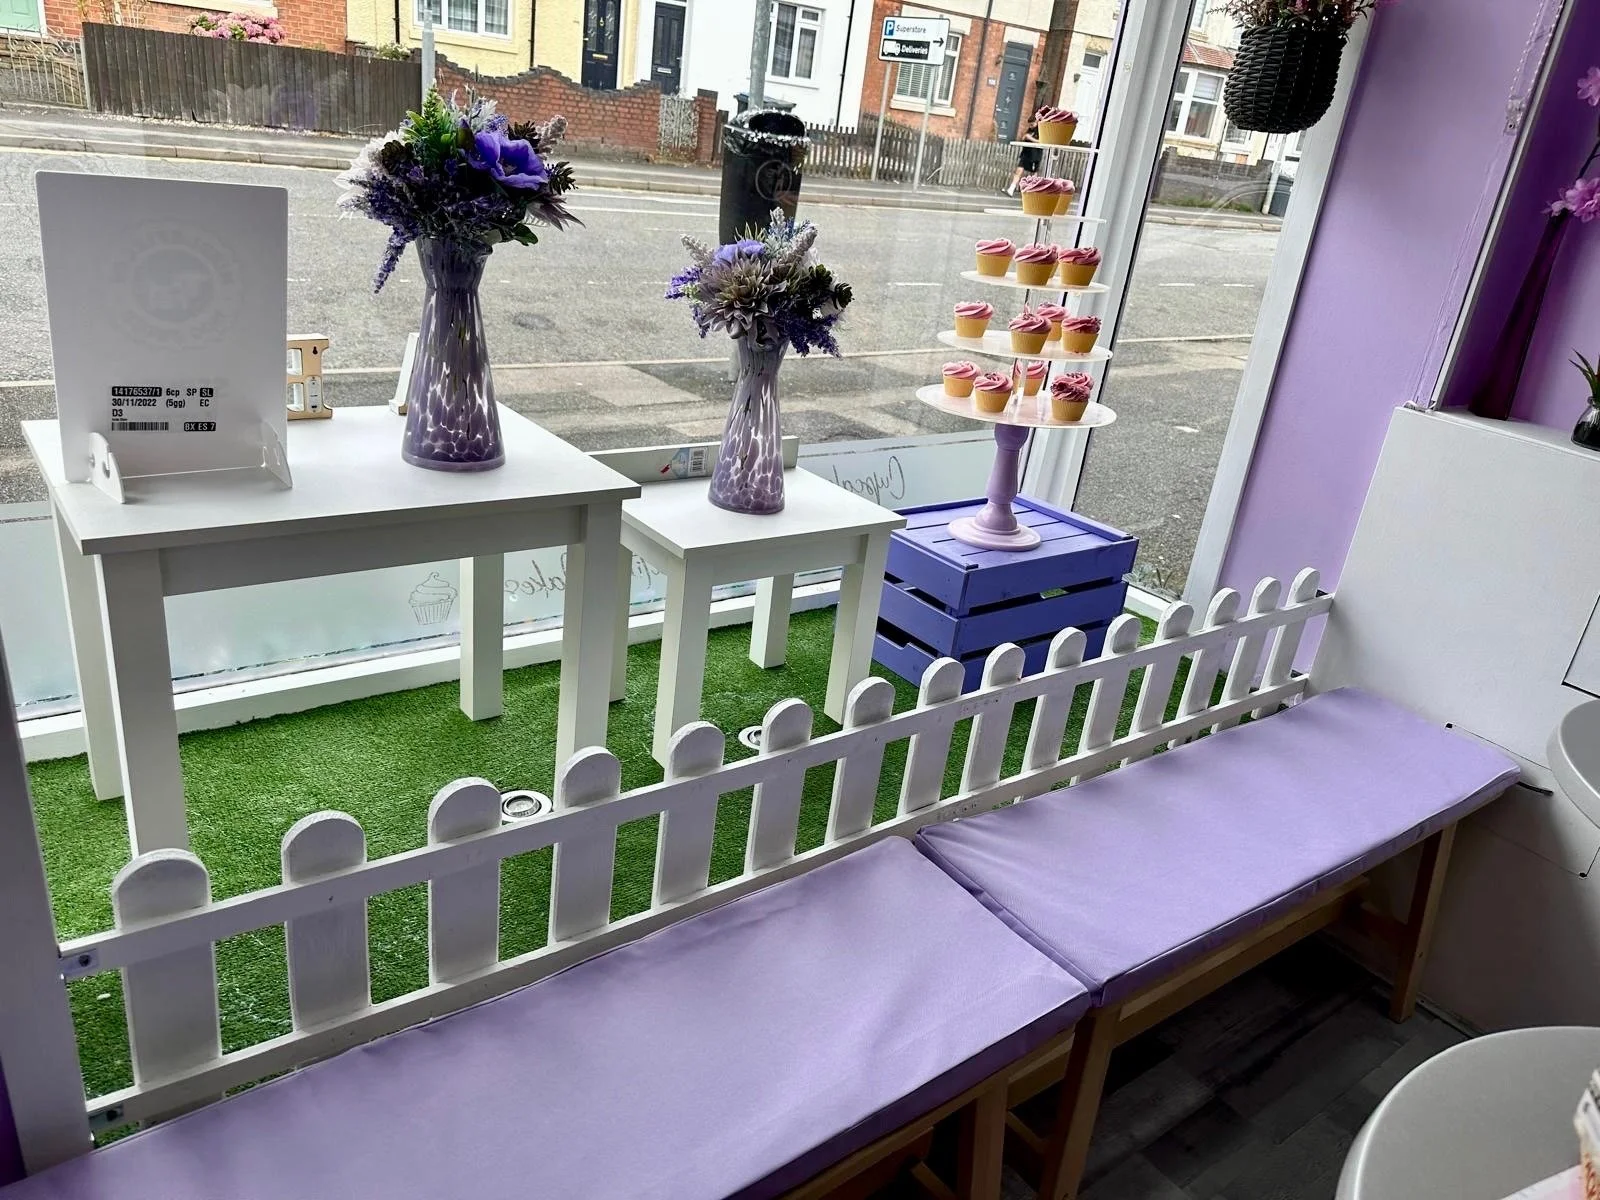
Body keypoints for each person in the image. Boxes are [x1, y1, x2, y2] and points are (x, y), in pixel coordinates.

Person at [1006, 119, 1042, 196]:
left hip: (1035, 155)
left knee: (1034, 174)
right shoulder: (1029, 130)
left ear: (1036, 123)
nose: (1030, 126)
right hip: (1026, 153)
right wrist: (1024, 137)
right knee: (1019, 170)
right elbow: (1023, 139)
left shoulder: (1040, 131)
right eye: (1030, 125)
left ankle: (1032, 191)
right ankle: (1011, 188)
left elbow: (1041, 141)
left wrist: (1030, 138)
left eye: (1032, 124)